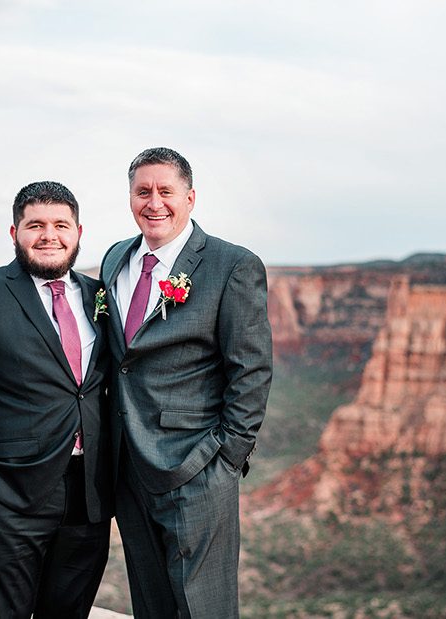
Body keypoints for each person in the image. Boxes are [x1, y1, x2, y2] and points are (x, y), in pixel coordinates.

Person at [98, 147, 272, 618]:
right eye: (142, 192)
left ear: (190, 198)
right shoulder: (117, 258)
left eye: (166, 191)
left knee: (203, 607)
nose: (154, 203)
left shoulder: (230, 265)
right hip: (128, 467)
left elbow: (250, 370)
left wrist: (225, 458)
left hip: (197, 467)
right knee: (151, 603)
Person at [0, 181, 113, 618]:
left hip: (88, 499)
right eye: (36, 225)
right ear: (15, 233)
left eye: (60, 225)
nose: (49, 235)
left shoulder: (98, 295)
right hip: (8, 499)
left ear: (78, 232)